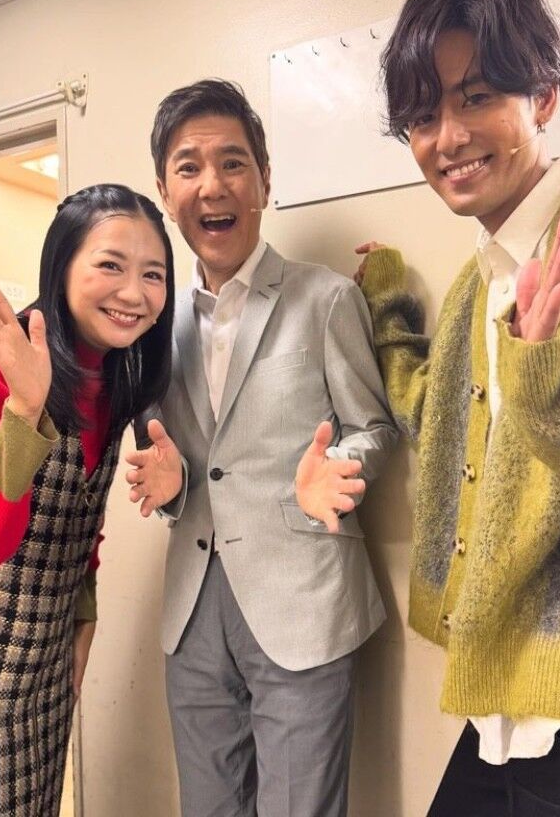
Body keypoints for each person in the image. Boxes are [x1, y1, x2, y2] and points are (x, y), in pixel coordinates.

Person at [355, 0, 560, 814]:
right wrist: (387, 304)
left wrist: (557, 384)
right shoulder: (474, 286)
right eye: (423, 117)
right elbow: (438, 420)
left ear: (545, 98)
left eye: (477, 97)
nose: (448, 137)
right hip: (506, 708)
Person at [129, 78, 397, 817]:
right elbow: (172, 460)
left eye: (232, 162)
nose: (211, 185)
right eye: (188, 167)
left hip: (303, 598)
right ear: (165, 191)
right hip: (192, 609)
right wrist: (171, 489)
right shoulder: (153, 324)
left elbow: (374, 427)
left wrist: (337, 470)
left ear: (265, 180)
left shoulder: (326, 298)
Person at [0, 184, 177, 817]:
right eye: (110, 265)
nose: (134, 293)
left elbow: (79, 515)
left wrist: (83, 615)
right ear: (61, 266)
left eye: (153, 274)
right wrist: (25, 411)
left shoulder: (112, 377)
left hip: (42, 676)